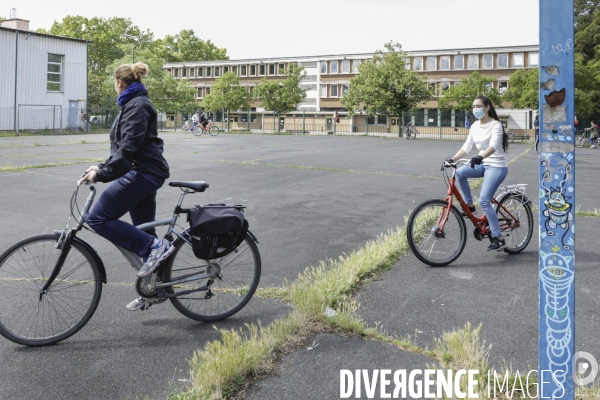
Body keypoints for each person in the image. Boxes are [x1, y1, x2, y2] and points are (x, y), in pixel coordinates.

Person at [78, 62, 173, 311]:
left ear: (119, 83)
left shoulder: (137, 106)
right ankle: (155, 289)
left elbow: (128, 149)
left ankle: (156, 247)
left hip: (143, 173)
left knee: (97, 218)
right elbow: (122, 149)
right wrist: (99, 167)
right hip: (142, 172)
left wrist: (103, 174)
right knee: (144, 231)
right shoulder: (132, 104)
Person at [445, 95, 509, 251]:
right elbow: (467, 147)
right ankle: (470, 207)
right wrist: (452, 158)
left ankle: (498, 238)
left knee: (485, 200)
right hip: (483, 164)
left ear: (487, 107)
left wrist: (480, 156)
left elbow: (493, 146)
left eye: (478, 106)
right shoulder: (474, 126)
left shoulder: (496, 125)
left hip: (497, 166)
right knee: (460, 173)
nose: (475, 109)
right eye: (473, 107)